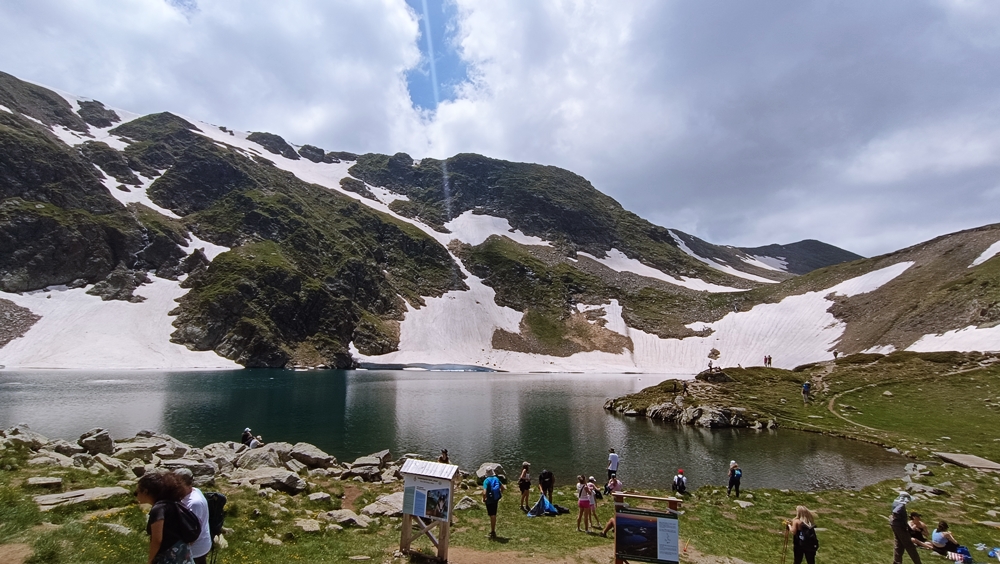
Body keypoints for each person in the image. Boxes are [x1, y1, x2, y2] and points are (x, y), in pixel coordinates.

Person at [136, 471, 194, 564]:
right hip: (183, 555)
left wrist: (150, 560)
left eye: (137, 492)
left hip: (168, 558)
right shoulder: (174, 504)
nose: (136, 496)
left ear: (145, 492)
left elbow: (157, 540)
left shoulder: (158, 509)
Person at [174, 469, 211, 564]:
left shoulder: (194, 503)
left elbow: (192, 532)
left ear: (183, 482)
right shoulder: (194, 490)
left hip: (196, 549)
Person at [890, 492, 922, 564]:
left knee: (899, 544)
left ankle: (897, 562)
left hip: (894, 524)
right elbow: (896, 511)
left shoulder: (896, 503)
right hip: (900, 526)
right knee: (909, 545)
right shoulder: (901, 505)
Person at [482, 467, 504, 538]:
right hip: (495, 499)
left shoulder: (486, 481)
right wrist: (499, 494)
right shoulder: (496, 479)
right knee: (494, 514)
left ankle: (492, 532)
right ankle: (493, 530)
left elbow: (484, 492)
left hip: (489, 500)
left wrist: (484, 498)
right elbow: (503, 488)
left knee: (491, 515)